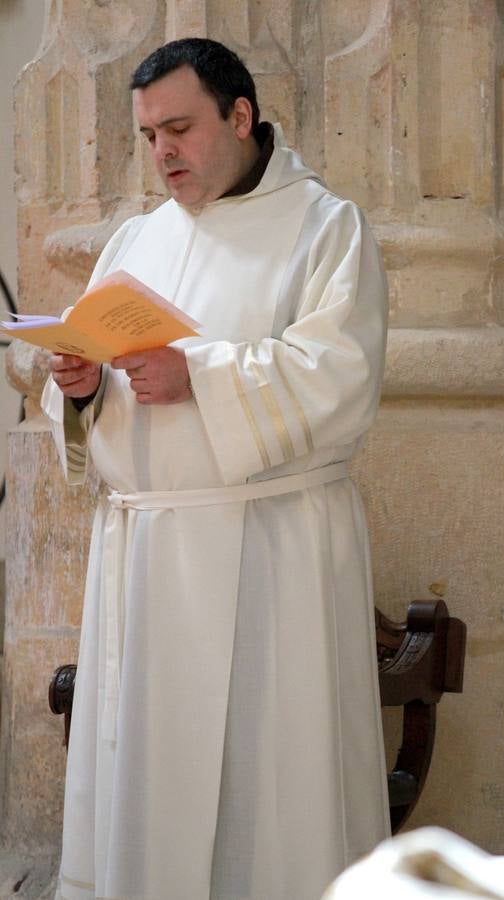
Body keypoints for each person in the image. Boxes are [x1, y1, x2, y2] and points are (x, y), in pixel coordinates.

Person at [42, 37, 390, 900]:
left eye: (180, 128)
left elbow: (340, 375)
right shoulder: (137, 238)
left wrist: (202, 375)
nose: (163, 153)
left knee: (269, 796)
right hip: (147, 561)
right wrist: (82, 387)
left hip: (269, 551)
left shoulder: (325, 226)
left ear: (240, 116)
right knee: (151, 785)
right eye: (149, 135)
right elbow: (102, 385)